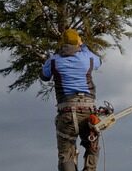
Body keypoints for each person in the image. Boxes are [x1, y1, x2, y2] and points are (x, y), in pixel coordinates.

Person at [40, 29, 102, 171]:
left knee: (66, 154)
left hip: (66, 111)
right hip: (88, 110)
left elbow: (44, 76)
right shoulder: (87, 57)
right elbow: (100, 61)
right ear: (78, 42)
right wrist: (84, 45)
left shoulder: (54, 60)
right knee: (92, 145)